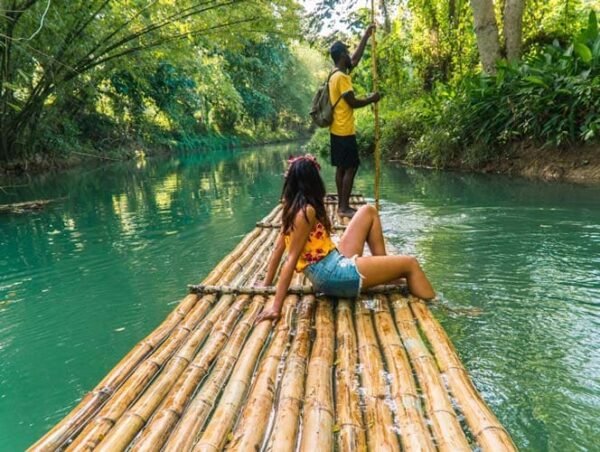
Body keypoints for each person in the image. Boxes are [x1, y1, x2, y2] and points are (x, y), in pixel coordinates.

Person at [255, 154, 435, 324]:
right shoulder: (306, 211)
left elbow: (279, 248)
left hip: (330, 263)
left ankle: (385, 269)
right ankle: (436, 306)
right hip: (332, 274)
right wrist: (276, 307)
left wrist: (266, 283)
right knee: (410, 263)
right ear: (313, 183)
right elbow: (290, 258)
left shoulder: (291, 207)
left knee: (368, 211)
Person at [328, 24, 381, 218]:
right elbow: (352, 102)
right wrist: (372, 99)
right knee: (351, 166)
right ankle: (343, 206)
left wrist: (366, 36)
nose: (350, 55)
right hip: (344, 129)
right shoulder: (342, 77)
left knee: (342, 167)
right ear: (342, 55)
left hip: (336, 129)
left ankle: (343, 203)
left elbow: (355, 59)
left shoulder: (334, 74)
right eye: (347, 52)